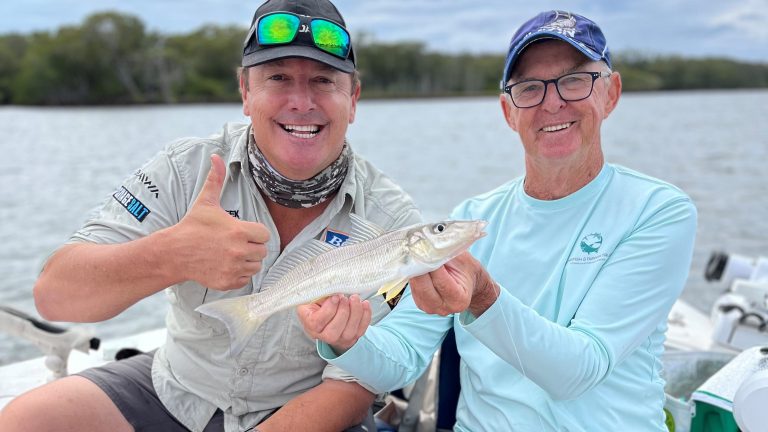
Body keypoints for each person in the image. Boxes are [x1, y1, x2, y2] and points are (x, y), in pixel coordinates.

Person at [0, 0, 421, 431]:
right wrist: (172, 255)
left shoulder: (393, 222)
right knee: (28, 420)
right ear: (245, 92)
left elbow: (356, 386)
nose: (300, 101)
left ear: (352, 99)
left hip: (305, 408)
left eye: (323, 81)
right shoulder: (186, 168)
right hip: (175, 387)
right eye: (277, 78)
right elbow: (55, 295)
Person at [298, 10, 698, 431]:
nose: (553, 102)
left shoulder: (657, 212)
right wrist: (345, 340)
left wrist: (483, 297)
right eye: (530, 88)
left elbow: (580, 369)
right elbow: (400, 357)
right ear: (509, 112)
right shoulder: (473, 219)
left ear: (611, 94)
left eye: (575, 80)